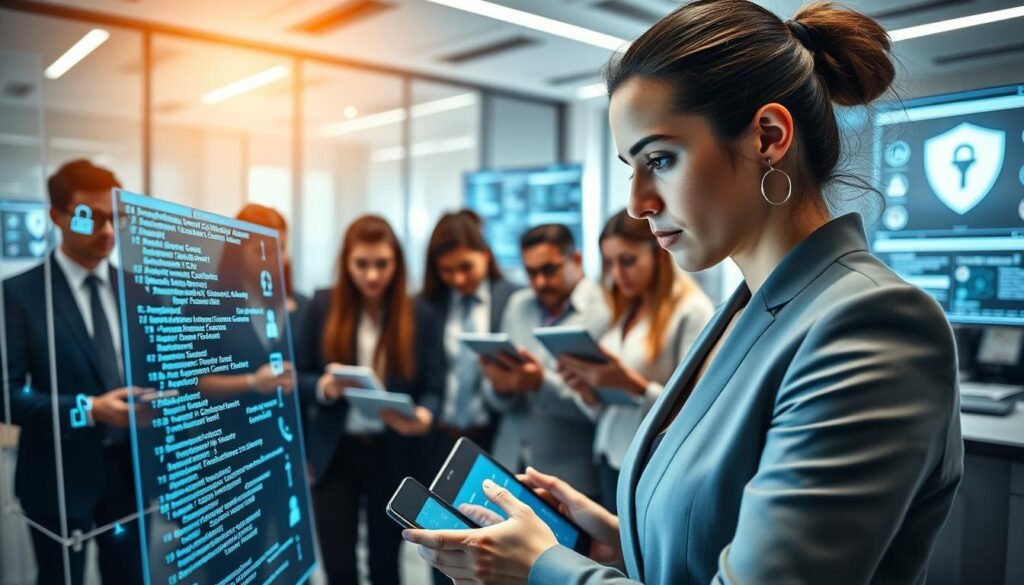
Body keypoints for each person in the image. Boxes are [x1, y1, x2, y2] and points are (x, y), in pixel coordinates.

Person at [404, 2, 964, 583]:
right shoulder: (743, 311)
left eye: (660, 159)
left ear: (768, 138)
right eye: (632, 167)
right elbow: (717, 539)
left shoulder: (873, 323)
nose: (638, 202)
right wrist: (617, 544)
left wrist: (546, 571)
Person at [3, 160, 144, 584]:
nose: (106, 231)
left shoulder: (138, 292)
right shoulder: (20, 294)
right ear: (56, 217)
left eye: (115, 217)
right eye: (92, 217)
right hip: (58, 481)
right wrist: (87, 409)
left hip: (129, 476)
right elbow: (8, 396)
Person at [296, 215, 444, 585]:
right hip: (336, 451)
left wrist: (425, 415)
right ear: (346, 263)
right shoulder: (322, 305)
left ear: (397, 263)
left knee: (384, 563)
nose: (373, 275)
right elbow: (298, 375)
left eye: (382, 264)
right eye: (362, 264)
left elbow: (434, 386)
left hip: (391, 452)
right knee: (339, 564)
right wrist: (324, 387)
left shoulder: (420, 314)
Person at [557, 209, 713, 513]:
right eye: (609, 263)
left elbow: (698, 409)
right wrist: (587, 389)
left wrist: (632, 385)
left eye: (627, 261)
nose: (616, 275)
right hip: (609, 455)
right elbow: (606, 410)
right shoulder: (626, 309)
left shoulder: (691, 311)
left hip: (651, 462)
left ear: (658, 253)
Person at [479, 224, 610, 499]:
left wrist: (539, 383)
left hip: (569, 475)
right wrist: (501, 387)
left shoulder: (604, 311)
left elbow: (599, 404)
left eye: (549, 270)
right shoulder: (518, 305)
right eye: (531, 273)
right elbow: (494, 398)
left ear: (576, 259)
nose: (539, 282)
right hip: (508, 463)